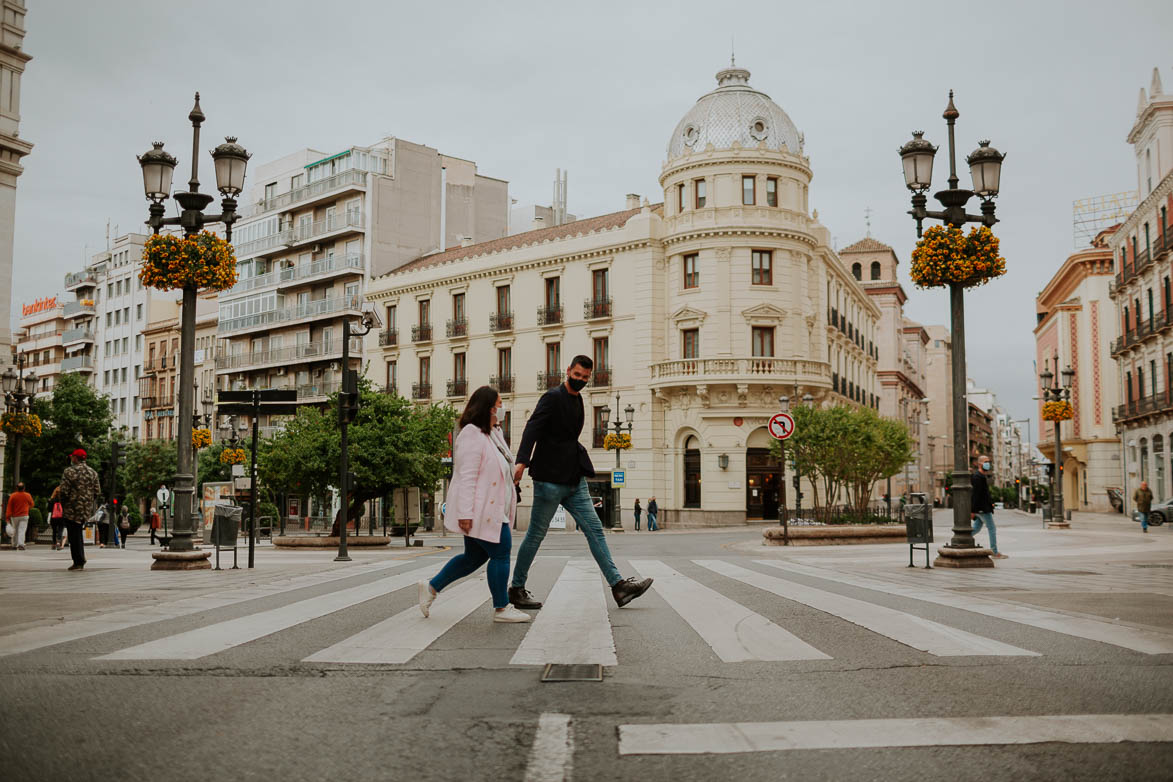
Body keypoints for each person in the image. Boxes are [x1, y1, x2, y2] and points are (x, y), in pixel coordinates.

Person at [509, 355, 653, 609]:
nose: (581, 381)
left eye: (585, 378)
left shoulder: (579, 401)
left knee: (595, 530)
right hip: (549, 480)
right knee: (535, 535)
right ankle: (517, 588)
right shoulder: (552, 398)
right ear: (568, 371)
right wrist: (521, 461)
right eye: (577, 376)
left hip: (574, 480)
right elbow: (532, 428)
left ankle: (619, 587)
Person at [418, 386, 531, 623]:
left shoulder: (492, 433)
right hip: (482, 510)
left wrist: (514, 473)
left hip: (492, 508)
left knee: (473, 558)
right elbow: (466, 476)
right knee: (501, 553)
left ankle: (430, 588)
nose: (503, 409)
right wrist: (465, 513)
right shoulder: (470, 434)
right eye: (500, 404)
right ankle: (502, 608)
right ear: (489, 408)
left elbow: (500, 466)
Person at [59, 448, 101, 571]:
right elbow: (97, 491)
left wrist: (64, 504)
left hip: (71, 508)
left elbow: (64, 491)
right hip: (85, 509)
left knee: (73, 534)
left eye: (72, 457)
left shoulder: (69, 471)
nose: (71, 459)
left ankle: (78, 561)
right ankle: (79, 559)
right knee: (77, 532)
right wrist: (87, 502)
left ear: (76, 458)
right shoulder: (92, 472)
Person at [970, 458, 1006, 559]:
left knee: (976, 528)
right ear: (979, 464)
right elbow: (975, 495)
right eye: (985, 462)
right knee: (992, 528)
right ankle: (994, 552)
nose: (988, 464)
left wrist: (990, 504)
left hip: (983, 507)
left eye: (988, 462)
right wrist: (973, 510)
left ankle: (963, 539)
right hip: (981, 509)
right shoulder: (977, 477)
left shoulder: (981, 476)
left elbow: (983, 494)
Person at [4, 482, 34, 550]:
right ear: (24, 488)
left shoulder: (13, 495)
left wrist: (7, 517)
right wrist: (27, 507)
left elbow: (9, 507)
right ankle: (21, 544)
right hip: (24, 515)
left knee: (15, 530)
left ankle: (14, 545)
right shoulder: (27, 495)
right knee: (22, 530)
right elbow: (32, 504)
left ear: (17, 488)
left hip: (14, 516)